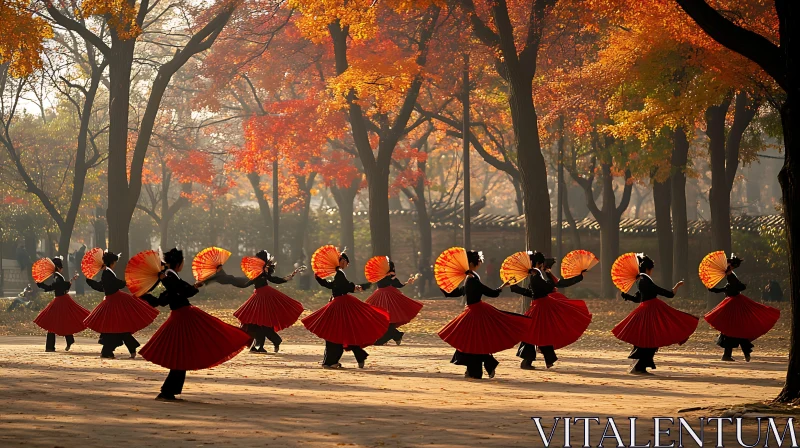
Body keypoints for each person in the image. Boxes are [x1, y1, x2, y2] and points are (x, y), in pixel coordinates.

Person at [140, 248, 251, 401]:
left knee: (182, 353)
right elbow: (180, 291)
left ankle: (168, 391)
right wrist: (171, 284)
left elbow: (165, 298)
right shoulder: (169, 276)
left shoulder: (170, 276)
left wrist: (192, 287)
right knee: (204, 338)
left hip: (181, 316)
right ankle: (167, 391)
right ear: (178, 263)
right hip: (183, 317)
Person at [439, 250, 529, 379]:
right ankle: (484, 365)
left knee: (472, 341)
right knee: (475, 341)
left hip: (473, 312)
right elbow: (491, 293)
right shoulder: (472, 279)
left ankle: (479, 368)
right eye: (478, 262)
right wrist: (503, 286)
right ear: (471, 263)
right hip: (476, 312)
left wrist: (444, 288)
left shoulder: (469, 278)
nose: (480, 264)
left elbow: (457, 292)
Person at [613, 254, 697, 375]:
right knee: (650, 339)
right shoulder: (645, 281)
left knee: (647, 338)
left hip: (647, 309)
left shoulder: (639, 280)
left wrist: (626, 296)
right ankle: (639, 367)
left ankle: (639, 366)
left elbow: (638, 299)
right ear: (648, 269)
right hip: (651, 311)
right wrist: (677, 286)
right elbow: (668, 294)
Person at [303, 251, 387, 369]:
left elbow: (333, 285)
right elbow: (341, 286)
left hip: (339, 303)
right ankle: (339, 359)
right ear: (342, 261)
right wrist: (356, 287)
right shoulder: (339, 273)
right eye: (346, 262)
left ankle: (335, 360)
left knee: (339, 332)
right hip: (341, 304)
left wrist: (319, 279)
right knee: (342, 331)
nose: (347, 265)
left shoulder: (338, 273)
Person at [210, 250, 304, 354]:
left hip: (266, 296)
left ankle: (266, 343)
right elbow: (245, 283)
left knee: (262, 322)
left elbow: (273, 280)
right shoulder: (257, 271)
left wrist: (290, 276)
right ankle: (260, 345)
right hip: (260, 296)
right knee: (257, 322)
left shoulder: (263, 270)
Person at [510, 251, 590, 370]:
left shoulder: (535, 275)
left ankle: (544, 358)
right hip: (542, 307)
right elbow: (548, 288)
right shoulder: (536, 276)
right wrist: (549, 276)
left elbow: (532, 292)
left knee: (539, 331)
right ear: (539, 263)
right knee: (536, 331)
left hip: (541, 305)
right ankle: (534, 360)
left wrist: (515, 288)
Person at [85, 252, 159, 359]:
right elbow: (111, 285)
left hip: (115, 300)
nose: (115, 264)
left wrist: (90, 282)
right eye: (114, 262)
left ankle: (109, 351)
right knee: (118, 326)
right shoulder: (107, 273)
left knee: (115, 326)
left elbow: (103, 286)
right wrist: (127, 282)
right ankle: (114, 351)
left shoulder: (107, 273)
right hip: (115, 300)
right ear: (112, 262)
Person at [705, 256, 780, 362]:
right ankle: (736, 353)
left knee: (734, 329)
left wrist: (719, 285)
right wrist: (712, 288)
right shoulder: (731, 276)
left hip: (735, 305)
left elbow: (734, 287)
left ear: (730, 266)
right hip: (732, 304)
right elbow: (726, 289)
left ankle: (737, 352)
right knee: (732, 329)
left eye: (727, 265)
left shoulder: (731, 276)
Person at [33, 257, 88, 352]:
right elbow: (55, 287)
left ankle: (51, 346)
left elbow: (58, 286)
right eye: (61, 267)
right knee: (63, 320)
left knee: (55, 322)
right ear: (58, 268)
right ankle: (67, 340)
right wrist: (41, 284)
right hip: (61, 300)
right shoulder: (58, 277)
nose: (62, 269)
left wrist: (41, 284)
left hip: (61, 300)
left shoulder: (57, 277)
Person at [366, 260, 422, 346]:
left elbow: (397, 284)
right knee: (378, 317)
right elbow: (380, 282)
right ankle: (396, 335)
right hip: (380, 294)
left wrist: (407, 283)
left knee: (389, 318)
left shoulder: (390, 275)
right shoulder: (380, 274)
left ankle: (391, 336)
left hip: (389, 296)